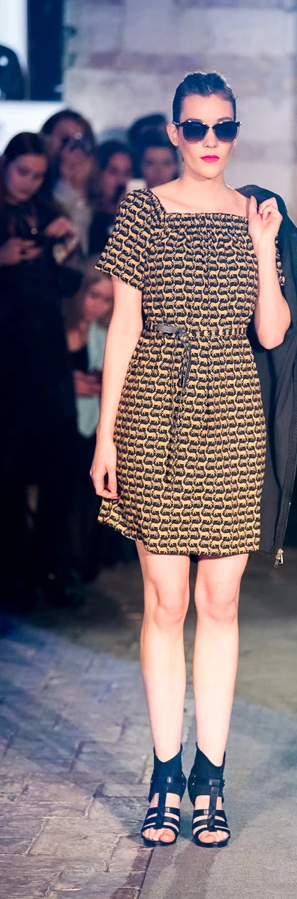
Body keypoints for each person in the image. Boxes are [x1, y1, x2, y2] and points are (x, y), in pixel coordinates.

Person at [90, 72, 297, 848]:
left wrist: (263, 245)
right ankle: (164, 773)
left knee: (220, 601)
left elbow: (272, 333)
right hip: (153, 405)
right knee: (165, 602)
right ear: (175, 132)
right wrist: (105, 435)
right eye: (197, 127)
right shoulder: (142, 208)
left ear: (235, 131)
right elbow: (123, 327)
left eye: (224, 127)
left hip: (233, 408)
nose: (211, 141)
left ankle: (210, 776)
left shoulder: (257, 213)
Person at [0, 132, 83, 608]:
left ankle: (49, 565)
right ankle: (13, 574)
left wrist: (65, 245)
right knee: (9, 468)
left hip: (48, 353)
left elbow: (69, 283)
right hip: (8, 355)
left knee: (59, 460)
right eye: (22, 172)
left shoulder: (47, 213)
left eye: (37, 175)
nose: (28, 182)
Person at [64, 262, 114, 582]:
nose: (99, 305)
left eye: (107, 300)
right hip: (57, 425)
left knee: (89, 500)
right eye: (94, 295)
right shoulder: (56, 327)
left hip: (91, 427)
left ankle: (82, 565)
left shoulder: (104, 335)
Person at [41, 109, 98, 256]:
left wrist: (80, 186)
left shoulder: (93, 183)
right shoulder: (33, 178)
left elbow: (81, 245)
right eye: (65, 139)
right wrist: (65, 182)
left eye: (79, 142)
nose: (71, 148)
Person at [89, 141, 133, 254]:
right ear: (99, 173)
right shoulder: (87, 212)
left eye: (126, 172)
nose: (121, 180)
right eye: (113, 171)